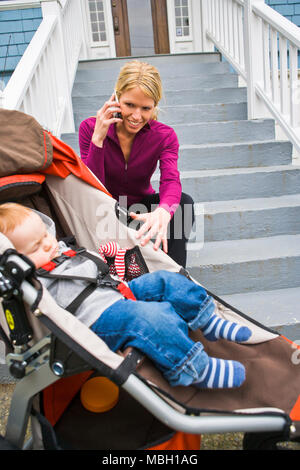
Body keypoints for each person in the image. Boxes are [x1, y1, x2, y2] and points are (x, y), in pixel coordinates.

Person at [0, 203, 251, 389]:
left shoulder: (60, 250)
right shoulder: (35, 282)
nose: (47, 244)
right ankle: (193, 369)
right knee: (153, 317)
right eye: (35, 247)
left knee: (165, 280)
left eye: (45, 235)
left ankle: (207, 319)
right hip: (97, 322)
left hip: (115, 292)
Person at [78, 60, 194, 268]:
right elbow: (91, 188)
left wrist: (164, 210)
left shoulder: (164, 136)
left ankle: (175, 276)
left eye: (145, 108)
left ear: (154, 106)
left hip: (140, 211)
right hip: (105, 213)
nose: (136, 116)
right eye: (130, 105)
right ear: (116, 97)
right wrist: (98, 140)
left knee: (183, 203)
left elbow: (171, 179)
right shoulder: (90, 128)